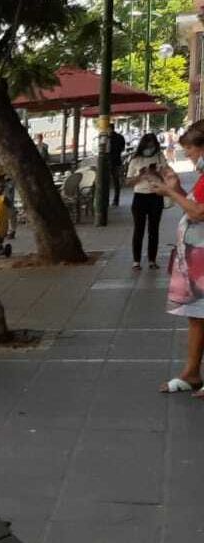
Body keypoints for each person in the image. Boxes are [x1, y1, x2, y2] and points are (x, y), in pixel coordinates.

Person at [141, 120, 204, 395]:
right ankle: (191, 373)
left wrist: (170, 193)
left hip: (201, 254)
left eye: (190, 150)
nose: (188, 156)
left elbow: (198, 212)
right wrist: (176, 188)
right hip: (195, 253)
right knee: (196, 314)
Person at [127, 133, 171, 271]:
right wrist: (140, 175)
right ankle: (136, 260)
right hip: (140, 196)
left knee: (154, 230)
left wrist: (155, 173)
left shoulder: (159, 157)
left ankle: (152, 260)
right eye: (147, 145)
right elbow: (128, 182)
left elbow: (168, 175)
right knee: (138, 229)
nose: (149, 148)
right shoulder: (135, 160)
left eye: (152, 145)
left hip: (155, 195)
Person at [107, 128, 127, 208]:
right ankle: (116, 200)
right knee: (116, 182)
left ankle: (106, 200)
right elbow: (123, 148)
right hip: (117, 161)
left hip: (108, 162)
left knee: (106, 182)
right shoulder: (120, 137)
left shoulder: (107, 138)